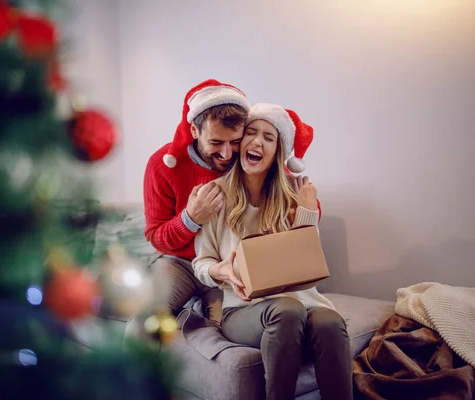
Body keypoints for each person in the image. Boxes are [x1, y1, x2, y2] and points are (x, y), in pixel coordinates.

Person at [192, 103, 352, 400]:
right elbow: (201, 262)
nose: (257, 141)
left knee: (329, 321)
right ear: (240, 144)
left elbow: (307, 263)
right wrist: (219, 270)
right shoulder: (214, 195)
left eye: (268, 137)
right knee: (286, 311)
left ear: (278, 151)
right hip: (242, 310)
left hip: (301, 302)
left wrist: (305, 211)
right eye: (251, 132)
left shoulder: (294, 196)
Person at [142, 79, 250, 322]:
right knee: (146, 321)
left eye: (235, 142)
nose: (226, 154)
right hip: (181, 265)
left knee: (226, 329)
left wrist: (306, 205)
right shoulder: (162, 165)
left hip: (229, 265)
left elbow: (291, 196)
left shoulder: (249, 158)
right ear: (194, 130)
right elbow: (155, 237)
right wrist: (190, 220)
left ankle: (200, 310)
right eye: (215, 142)